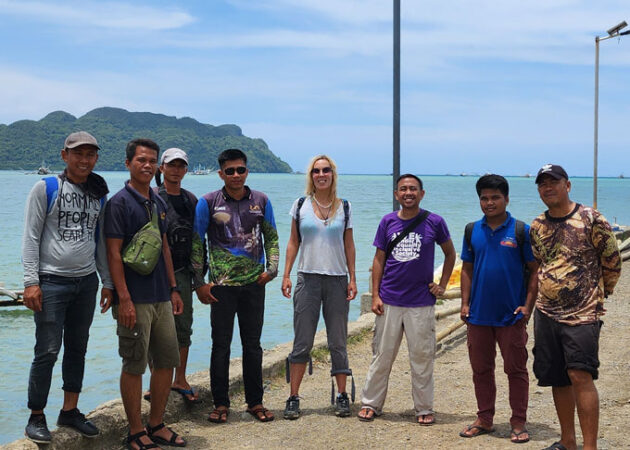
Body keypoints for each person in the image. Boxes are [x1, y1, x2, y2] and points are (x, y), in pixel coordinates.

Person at [22, 131, 112, 443]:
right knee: (46, 350)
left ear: (96, 158)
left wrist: (107, 282)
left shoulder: (98, 194)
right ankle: (36, 415)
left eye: (90, 154)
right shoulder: (46, 187)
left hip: (86, 281)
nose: (84, 160)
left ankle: (69, 411)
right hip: (52, 281)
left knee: (78, 347)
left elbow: (99, 240)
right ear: (65, 155)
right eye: (78, 153)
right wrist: (31, 282)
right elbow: (31, 237)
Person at [530, 164, 621, 450]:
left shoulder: (591, 218)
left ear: (567, 185)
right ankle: (568, 441)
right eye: (542, 184)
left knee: (580, 375)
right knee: (558, 377)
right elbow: (540, 263)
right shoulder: (538, 225)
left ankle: (589, 446)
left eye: (553, 182)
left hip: (582, 314)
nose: (548, 188)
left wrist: (596, 296)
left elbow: (612, 262)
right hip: (546, 312)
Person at [104, 138, 187, 450]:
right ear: (128, 163)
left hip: (161, 297)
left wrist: (174, 289)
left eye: (152, 160)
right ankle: (135, 430)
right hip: (134, 299)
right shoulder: (119, 203)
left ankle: (157, 423)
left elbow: (164, 248)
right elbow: (113, 254)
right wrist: (123, 298)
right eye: (141, 160)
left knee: (166, 361)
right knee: (134, 363)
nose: (148, 165)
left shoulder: (157, 200)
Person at [358, 174, 456, 425]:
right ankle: (371, 403)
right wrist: (376, 294)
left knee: (422, 357)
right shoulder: (387, 221)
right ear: (396, 194)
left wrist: (442, 285)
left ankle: (424, 407)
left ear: (422, 194)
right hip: (390, 300)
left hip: (421, 301)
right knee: (382, 355)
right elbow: (379, 259)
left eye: (413, 189)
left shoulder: (435, 222)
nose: (408, 193)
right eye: (403, 189)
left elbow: (450, 254)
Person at [194, 148, 279, 424]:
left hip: (255, 284)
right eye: (229, 171)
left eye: (240, 169)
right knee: (221, 346)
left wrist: (272, 270)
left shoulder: (262, 201)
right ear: (221, 173)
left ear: (246, 171)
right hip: (221, 286)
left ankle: (255, 401)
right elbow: (197, 244)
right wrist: (199, 284)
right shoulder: (207, 202)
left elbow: (272, 237)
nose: (235, 175)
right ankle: (221, 403)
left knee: (252, 345)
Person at [458, 174, 538, 443]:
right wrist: (465, 303)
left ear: (506, 199)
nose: (489, 202)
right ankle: (485, 418)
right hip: (478, 315)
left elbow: (535, 271)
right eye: (484, 198)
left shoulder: (521, 231)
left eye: (495, 197)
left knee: (516, 370)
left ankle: (518, 421)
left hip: (510, 316)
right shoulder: (472, 230)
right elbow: (467, 269)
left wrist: (528, 307)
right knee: (481, 370)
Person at [281, 155, 357, 420]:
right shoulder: (300, 205)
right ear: (311, 176)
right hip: (307, 279)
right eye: (316, 171)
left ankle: (342, 396)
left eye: (326, 170)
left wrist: (353, 279)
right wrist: (286, 274)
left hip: (337, 280)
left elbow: (349, 245)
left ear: (333, 174)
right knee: (302, 342)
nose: (321, 174)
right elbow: (293, 242)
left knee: (338, 341)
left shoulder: (345, 207)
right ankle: (293, 397)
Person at [143, 148, 202, 404]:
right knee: (152, 328)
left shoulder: (191, 200)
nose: (176, 170)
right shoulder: (152, 197)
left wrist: (200, 277)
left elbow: (199, 239)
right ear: (162, 168)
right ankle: (156, 378)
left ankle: (180, 378)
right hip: (154, 274)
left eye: (181, 166)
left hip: (183, 272)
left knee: (183, 327)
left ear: (186, 170)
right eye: (171, 165)